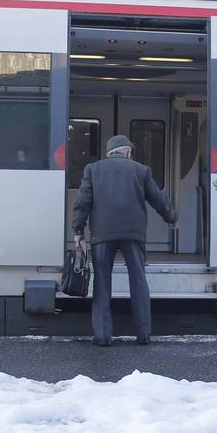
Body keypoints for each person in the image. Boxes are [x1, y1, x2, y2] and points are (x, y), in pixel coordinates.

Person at [71, 134, 177, 346]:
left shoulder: (93, 169)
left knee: (102, 282)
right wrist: (171, 218)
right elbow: (158, 198)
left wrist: (78, 230)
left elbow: (83, 201)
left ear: (109, 152)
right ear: (128, 152)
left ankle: (102, 335)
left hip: (102, 234)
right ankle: (144, 334)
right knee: (138, 280)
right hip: (133, 233)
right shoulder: (141, 170)